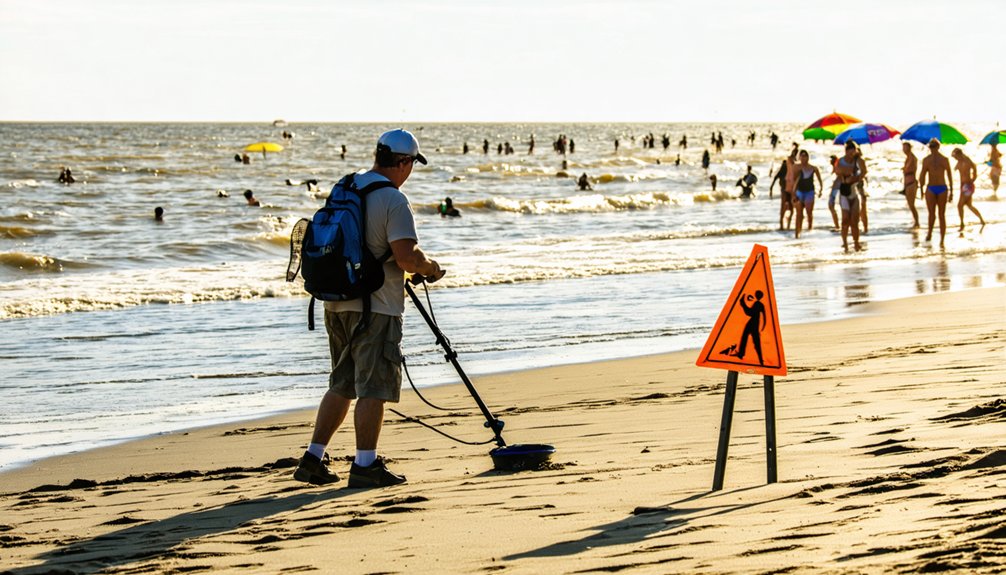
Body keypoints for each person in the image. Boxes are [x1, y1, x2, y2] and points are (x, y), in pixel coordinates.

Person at [293, 128, 444, 488]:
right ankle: (365, 464)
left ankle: (313, 458)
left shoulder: (349, 185)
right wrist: (432, 268)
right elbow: (407, 257)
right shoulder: (393, 199)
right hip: (376, 306)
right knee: (373, 387)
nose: (410, 173)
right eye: (411, 165)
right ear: (404, 162)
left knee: (342, 383)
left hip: (336, 300)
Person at [918, 138, 953, 248]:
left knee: (941, 215)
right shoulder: (926, 160)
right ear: (929, 148)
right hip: (931, 188)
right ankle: (929, 233)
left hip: (942, 187)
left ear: (938, 147)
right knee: (931, 214)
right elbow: (922, 175)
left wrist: (952, 190)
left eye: (934, 146)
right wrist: (921, 189)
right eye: (931, 146)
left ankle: (942, 239)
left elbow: (949, 175)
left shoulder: (944, 159)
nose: (932, 148)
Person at [836, 141, 867, 252]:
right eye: (849, 151)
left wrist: (855, 178)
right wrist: (848, 174)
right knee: (845, 220)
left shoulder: (858, 160)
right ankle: (845, 243)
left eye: (853, 151)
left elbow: (864, 172)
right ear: (846, 151)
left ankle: (856, 243)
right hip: (844, 192)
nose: (851, 153)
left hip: (854, 192)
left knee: (855, 220)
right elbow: (838, 171)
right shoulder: (841, 161)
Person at [792, 150, 824, 239]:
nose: (803, 158)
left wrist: (821, 189)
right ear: (799, 157)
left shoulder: (813, 168)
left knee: (809, 212)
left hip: (809, 191)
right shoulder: (796, 167)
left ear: (808, 157)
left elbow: (819, 179)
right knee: (799, 213)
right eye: (802, 156)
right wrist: (793, 193)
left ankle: (810, 230)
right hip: (799, 191)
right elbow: (794, 180)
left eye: (805, 156)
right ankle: (797, 232)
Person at [951, 148, 985, 232]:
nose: (955, 158)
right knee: (969, 205)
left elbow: (974, 167)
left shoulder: (966, 160)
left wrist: (974, 177)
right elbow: (955, 169)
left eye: (956, 156)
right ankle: (981, 220)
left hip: (968, 185)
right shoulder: (959, 162)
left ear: (959, 154)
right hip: (963, 186)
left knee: (960, 205)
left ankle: (962, 224)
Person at [733, 290, 766, 365]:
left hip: (753, 324)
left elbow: (750, 313)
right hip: (753, 323)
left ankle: (760, 359)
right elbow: (764, 316)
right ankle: (742, 354)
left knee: (756, 342)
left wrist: (743, 304)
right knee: (746, 337)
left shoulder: (757, 304)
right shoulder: (760, 304)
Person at [902, 142, 920, 228]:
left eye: (905, 148)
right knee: (909, 204)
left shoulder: (912, 158)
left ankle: (917, 222)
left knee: (911, 204)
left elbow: (910, 168)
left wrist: (905, 169)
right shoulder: (908, 158)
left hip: (911, 183)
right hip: (907, 183)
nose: (903, 150)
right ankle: (915, 221)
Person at [826, 155, 841, 230]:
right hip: (836, 188)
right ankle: (837, 225)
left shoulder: (838, 166)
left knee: (831, 205)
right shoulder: (836, 167)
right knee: (832, 206)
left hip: (838, 188)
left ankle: (838, 225)